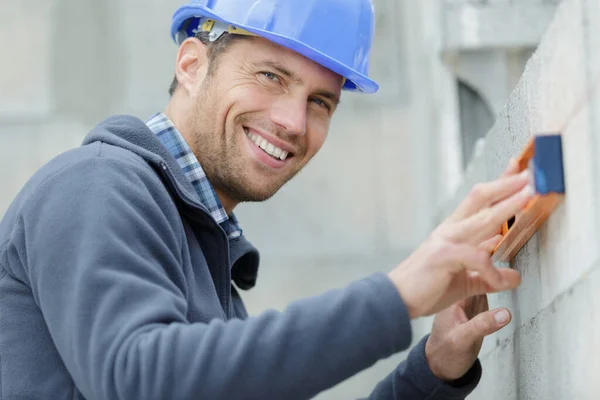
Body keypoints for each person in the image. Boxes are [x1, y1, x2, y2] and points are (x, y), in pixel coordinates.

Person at [0, 0, 530, 398]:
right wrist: (397, 296)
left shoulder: (202, 252)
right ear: (191, 65)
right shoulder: (97, 186)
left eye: (319, 102)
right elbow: (138, 382)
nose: (293, 122)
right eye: (271, 76)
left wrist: (432, 371)